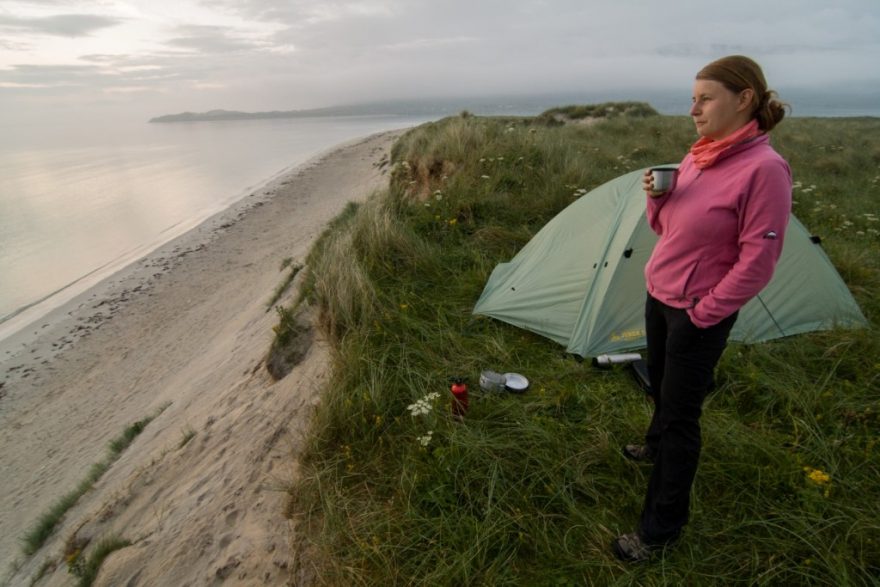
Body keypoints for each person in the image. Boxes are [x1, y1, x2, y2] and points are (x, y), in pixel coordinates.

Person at [613, 55, 792, 562]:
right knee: (659, 382)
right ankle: (652, 444)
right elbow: (664, 228)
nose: (693, 108)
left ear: (744, 99)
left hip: (698, 312)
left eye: (705, 98)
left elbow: (760, 260)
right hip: (661, 295)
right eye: (692, 98)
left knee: (681, 418)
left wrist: (706, 312)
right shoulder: (699, 155)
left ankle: (659, 530)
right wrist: (655, 198)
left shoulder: (765, 169)